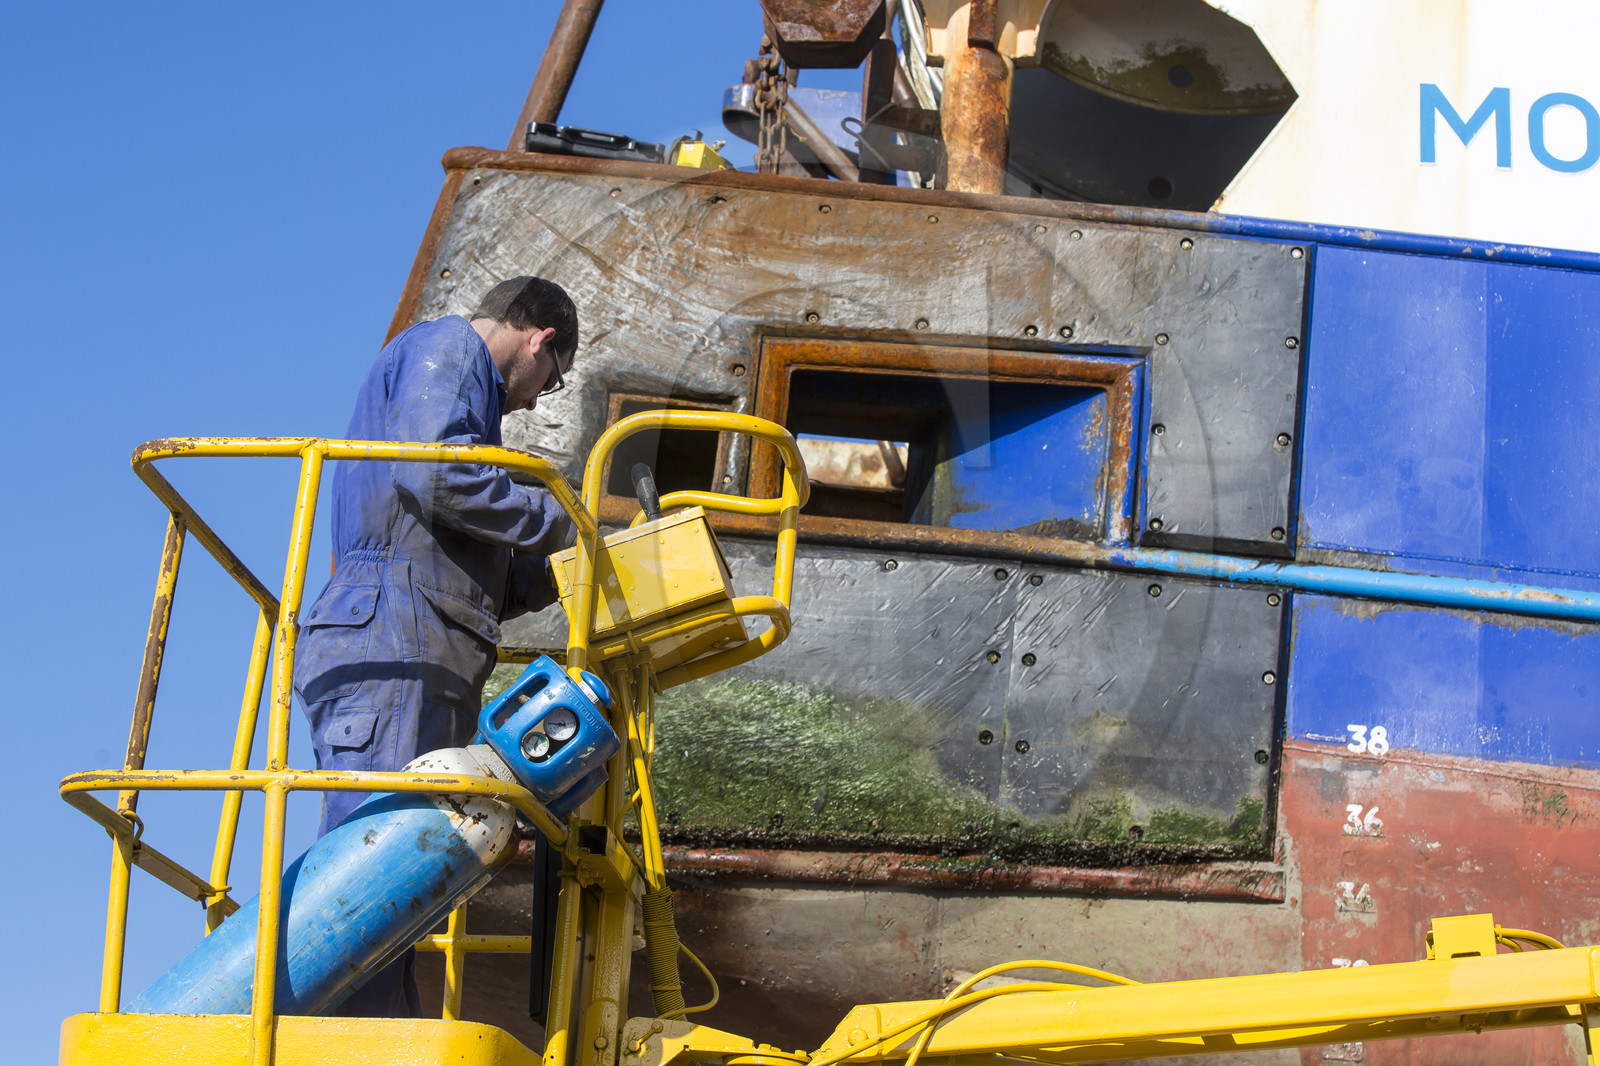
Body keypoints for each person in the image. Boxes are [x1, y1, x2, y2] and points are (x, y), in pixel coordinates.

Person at [293, 276, 579, 1017]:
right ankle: (351, 1042)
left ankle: (378, 1030)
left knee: (400, 870)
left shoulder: (466, 399)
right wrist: (561, 518)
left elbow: (472, 556)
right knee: (373, 868)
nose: (541, 398)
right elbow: (441, 477)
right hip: (395, 640)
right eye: (553, 378)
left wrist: (566, 566)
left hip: (420, 646)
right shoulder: (448, 348)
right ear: (540, 338)